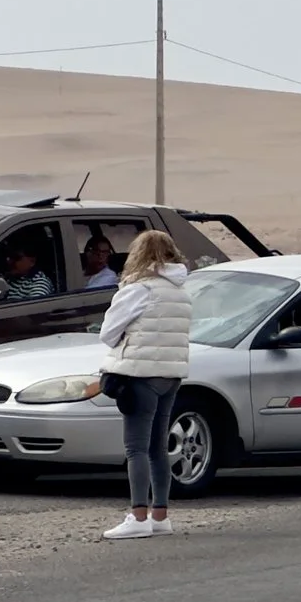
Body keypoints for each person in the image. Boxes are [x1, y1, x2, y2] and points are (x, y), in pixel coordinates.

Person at [97, 230, 193, 539]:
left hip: (140, 374)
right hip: (171, 374)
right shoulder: (181, 290)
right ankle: (160, 515)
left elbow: (108, 333)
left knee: (135, 447)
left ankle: (138, 517)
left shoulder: (138, 289)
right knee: (157, 448)